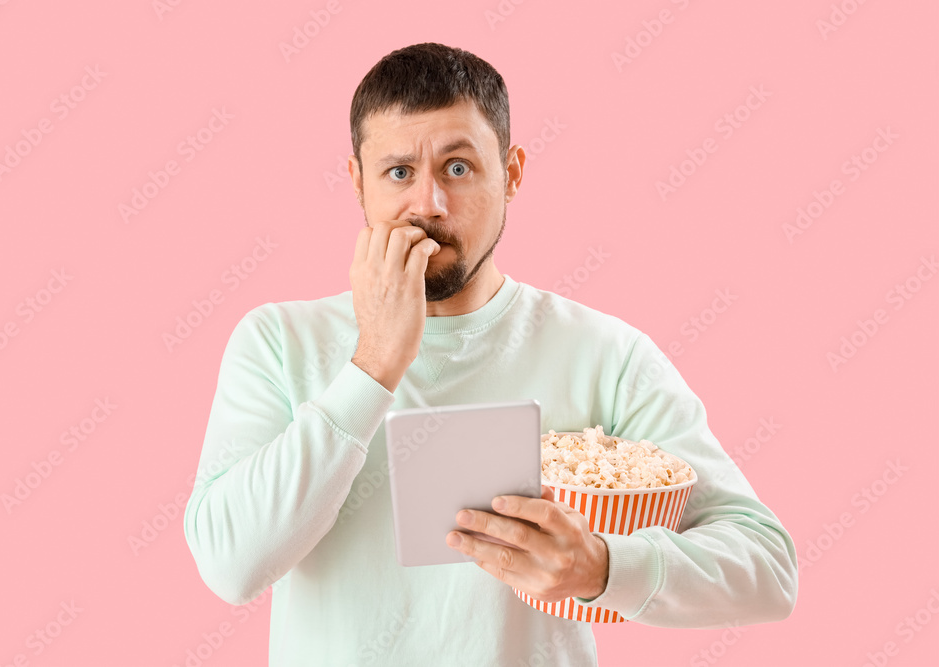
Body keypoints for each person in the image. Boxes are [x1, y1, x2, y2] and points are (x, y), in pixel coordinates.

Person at [183, 42, 799, 667]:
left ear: (512, 173)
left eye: (457, 167)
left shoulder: (606, 355)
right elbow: (230, 566)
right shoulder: (277, 343)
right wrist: (374, 364)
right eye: (398, 172)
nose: (428, 204)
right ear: (357, 182)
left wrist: (605, 567)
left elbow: (767, 567)